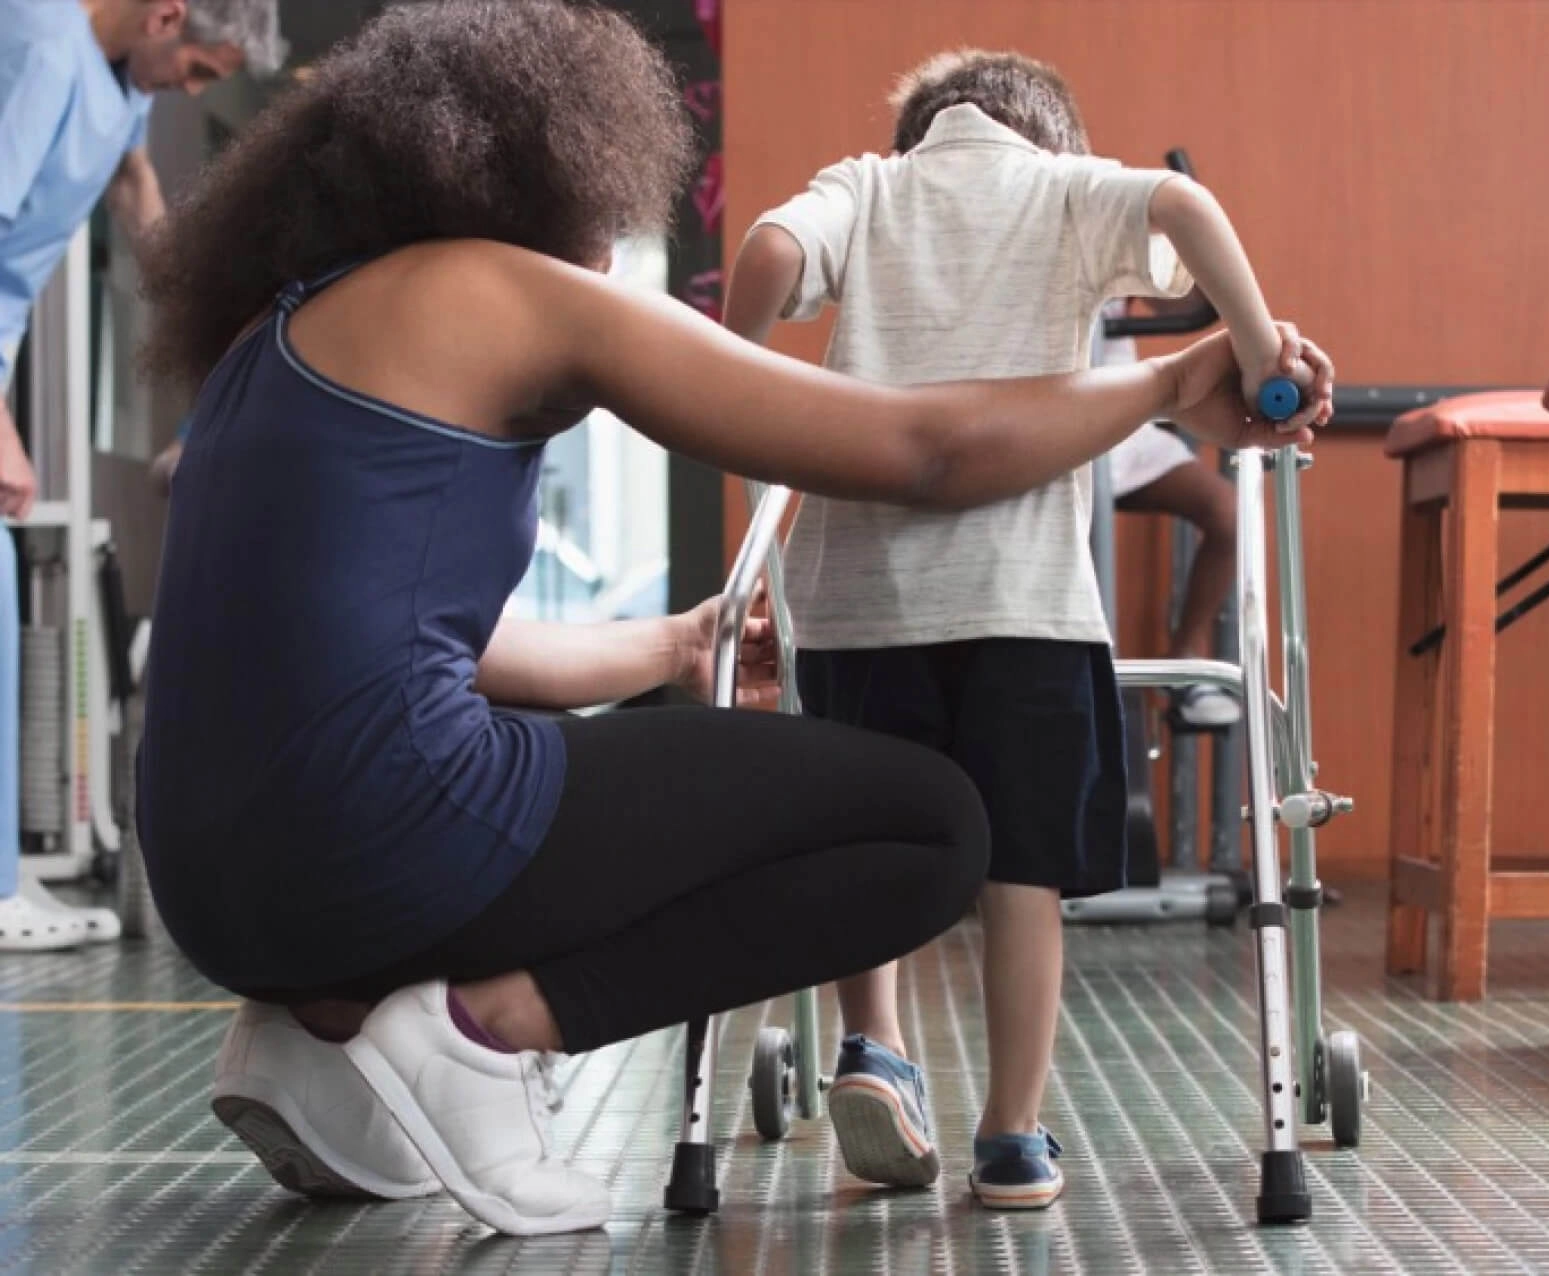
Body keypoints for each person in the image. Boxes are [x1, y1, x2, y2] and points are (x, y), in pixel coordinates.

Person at [135, 1, 1331, 1238]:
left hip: (217, 893)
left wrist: (674, 644)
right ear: (549, 166)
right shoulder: (495, 292)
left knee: (566, 762)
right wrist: (1176, 380)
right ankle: (486, 1037)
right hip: (386, 836)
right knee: (931, 826)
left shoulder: (272, 346)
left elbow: (443, 651)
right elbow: (925, 449)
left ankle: (316, 1028)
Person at [723, 49, 1325, 1210]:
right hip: (1024, 601)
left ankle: (876, 1050)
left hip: (856, 597)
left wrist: (742, 386)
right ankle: (1011, 1133)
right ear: (1048, 131)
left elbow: (766, 250)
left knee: (870, 843)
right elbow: (1185, 204)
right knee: (1023, 870)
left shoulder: (871, 185)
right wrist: (1255, 346)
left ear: (920, 131)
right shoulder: (1061, 186)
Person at [0, 0, 285, 951]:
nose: (190, 89)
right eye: (199, 70)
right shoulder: (42, 43)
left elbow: (129, 178)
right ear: (167, 13)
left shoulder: (117, 79)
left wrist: (203, 307)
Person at [1098, 295, 1242, 728]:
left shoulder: (1115, 237)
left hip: (1123, 422)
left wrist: (1161, 239)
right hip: (1055, 420)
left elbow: (1187, 297)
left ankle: (1185, 659)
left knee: (1228, 516)